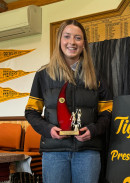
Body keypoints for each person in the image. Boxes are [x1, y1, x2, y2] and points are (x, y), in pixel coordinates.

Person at [25, 19, 113, 183]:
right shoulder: (43, 75)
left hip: (88, 152)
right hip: (54, 153)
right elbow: (31, 111)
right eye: (67, 36)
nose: (72, 42)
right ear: (59, 40)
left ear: (84, 43)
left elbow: (107, 112)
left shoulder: (96, 76)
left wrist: (93, 129)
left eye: (77, 38)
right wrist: (48, 129)